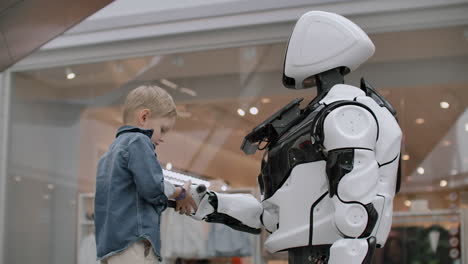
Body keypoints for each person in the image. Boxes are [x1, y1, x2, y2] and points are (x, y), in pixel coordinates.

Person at [94, 85, 198, 264]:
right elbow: (152, 187)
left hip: (111, 246)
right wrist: (181, 192)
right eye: (163, 129)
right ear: (144, 117)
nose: (163, 137)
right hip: (134, 242)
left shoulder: (109, 154)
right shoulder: (138, 141)